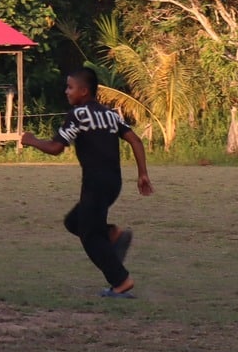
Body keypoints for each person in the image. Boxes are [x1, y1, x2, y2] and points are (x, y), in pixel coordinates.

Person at [19, 67, 153, 298]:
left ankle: (121, 281)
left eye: (70, 87)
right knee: (74, 222)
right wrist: (142, 174)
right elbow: (136, 141)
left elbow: (56, 148)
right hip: (113, 183)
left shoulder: (78, 115)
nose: (66, 92)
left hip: (95, 183)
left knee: (89, 235)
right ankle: (112, 235)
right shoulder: (110, 114)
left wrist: (31, 140)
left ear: (84, 90)